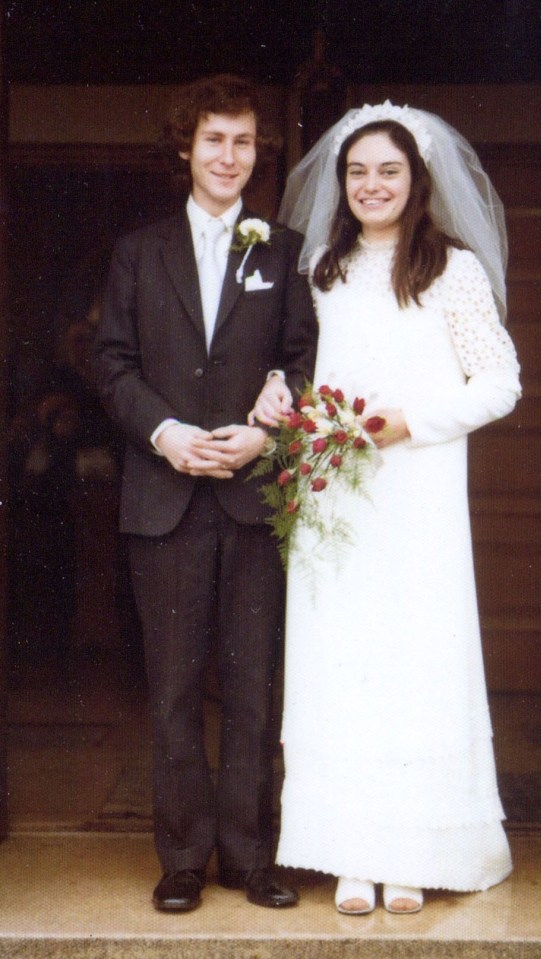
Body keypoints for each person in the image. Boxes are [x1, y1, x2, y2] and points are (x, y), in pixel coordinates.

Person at [251, 101, 521, 915]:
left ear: (416, 180)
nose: (371, 184)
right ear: (341, 182)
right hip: (336, 500)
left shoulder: (452, 271)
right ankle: (348, 853)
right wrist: (276, 390)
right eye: (357, 171)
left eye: (388, 170)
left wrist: (410, 421)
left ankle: (416, 852)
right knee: (341, 668)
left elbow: (501, 383)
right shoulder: (318, 271)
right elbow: (295, 365)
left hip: (418, 496)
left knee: (415, 664)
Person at [93, 74, 317, 912]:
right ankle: (183, 855)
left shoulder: (284, 249)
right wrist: (165, 433)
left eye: (244, 141)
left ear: (259, 152)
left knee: (254, 684)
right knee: (176, 688)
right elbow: (110, 362)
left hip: (254, 499)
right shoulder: (138, 251)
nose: (229, 156)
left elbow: (303, 359)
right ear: (184, 148)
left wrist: (270, 427)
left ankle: (249, 855)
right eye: (214, 139)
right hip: (165, 500)